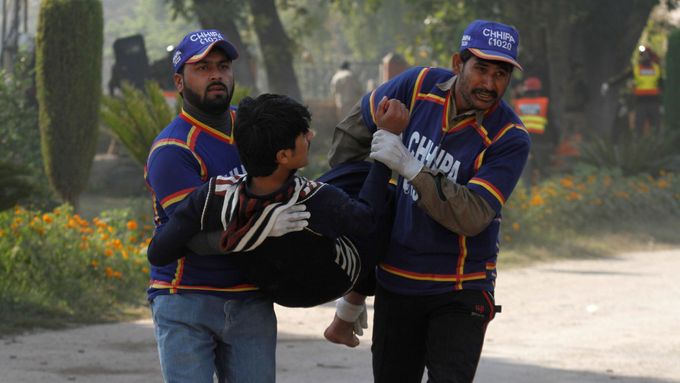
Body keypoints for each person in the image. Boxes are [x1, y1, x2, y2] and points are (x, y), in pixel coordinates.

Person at [325, 19, 530, 382]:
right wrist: (359, 202)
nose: (489, 83)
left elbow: (473, 214)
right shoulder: (418, 85)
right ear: (457, 64)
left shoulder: (509, 137)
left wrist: (410, 166)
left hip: (461, 287)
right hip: (396, 282)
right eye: (480, 68)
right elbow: (351, 133)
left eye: (501, 74)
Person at [145, 30, 302, 383]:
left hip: (251, 297)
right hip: (187, 298)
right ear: (179, 81)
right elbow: (191, 237)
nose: (216, 75)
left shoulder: (255, 128)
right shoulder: (173, 149)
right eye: (201, 68)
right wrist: (262, 227)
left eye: (223, 66)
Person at [147, 93, 402, 310]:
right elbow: (367, 220)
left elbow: (158, 252)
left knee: (349, 182)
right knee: (379, 191)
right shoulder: (313, 201)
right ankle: (351, 310)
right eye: (303, 134)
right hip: (329, 281)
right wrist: (384, 147)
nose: (311, 135)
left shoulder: (216, 195)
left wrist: (244, 233)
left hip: (275, 286)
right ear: (283, 155)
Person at [513, 76, 551, 185]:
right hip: (542, 140)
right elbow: (552, 121)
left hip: (523, 140)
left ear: (526, 90)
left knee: (525, 169)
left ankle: (527, 191)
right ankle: (545, 190)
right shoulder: (544, 102)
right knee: (543, 169)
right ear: (539, 90)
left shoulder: (518, 103)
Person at [632, 46, 663, 136]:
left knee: (656, 126)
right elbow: (623, 77)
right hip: (641, 102)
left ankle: (657, 146)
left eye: (646, 55)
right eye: (642, 55)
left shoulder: (657, 68)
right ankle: (639, 147)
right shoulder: (636, 69)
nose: (644, 57)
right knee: (639, 126)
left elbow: (661, 84)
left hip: (654, 101)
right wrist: (609, 84)